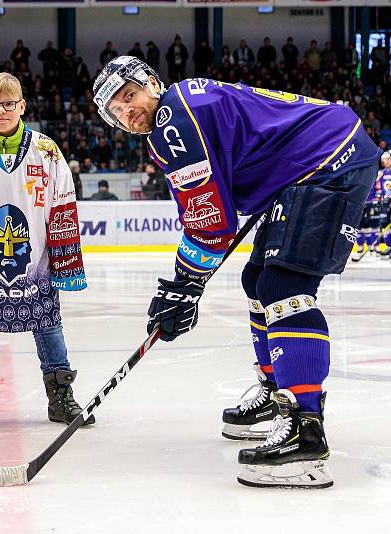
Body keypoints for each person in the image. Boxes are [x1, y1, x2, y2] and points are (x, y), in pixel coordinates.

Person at [93, 56, 380, 488]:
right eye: (116, 111)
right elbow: (211, 212)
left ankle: (306, 430)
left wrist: (182, 286)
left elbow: (211, 224)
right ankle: (274, 391)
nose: (127, 111)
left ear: (152, 82)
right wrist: (184, 284)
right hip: (309, 163)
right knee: (256, 279)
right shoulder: (177, 112)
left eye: (129, 96)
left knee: (284, 285)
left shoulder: (173, 120)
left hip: (327, 161)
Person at [0, 72, 91, 429]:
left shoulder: (47, 150)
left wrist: (65, 261)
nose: (2, 110)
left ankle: (60, 398)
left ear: (22, 105)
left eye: (9, 104)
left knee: (49, 325)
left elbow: (64, 205)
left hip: (36, 259)